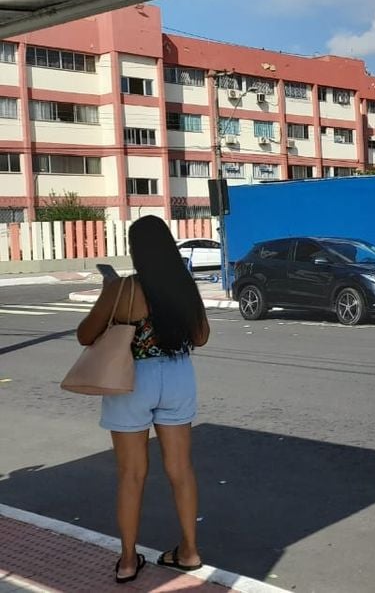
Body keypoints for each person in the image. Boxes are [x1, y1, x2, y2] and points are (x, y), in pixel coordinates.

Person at [77, 215, 210, 584]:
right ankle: (189, 552)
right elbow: (201, 338)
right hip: (179, 375)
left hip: (132, 378)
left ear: (135, 251)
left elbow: (85, 335)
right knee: (181, 470)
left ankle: (127, 561)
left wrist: (116, 315)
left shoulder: (122, 289)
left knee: (132, 474)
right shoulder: (183, 285)